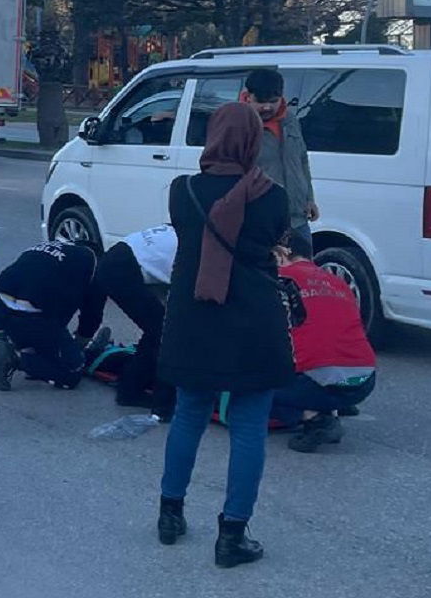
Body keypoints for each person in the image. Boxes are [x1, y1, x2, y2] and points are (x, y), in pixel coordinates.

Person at [155, 102, 293, 568]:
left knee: (190, 412)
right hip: (253, 319)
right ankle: (233, 534)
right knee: (250, 425)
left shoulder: (183, 190)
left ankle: (169, 514)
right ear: (254, 141)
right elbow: (278, 237)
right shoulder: (270, 195)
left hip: (195, 315)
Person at [271, 234, 376, 453]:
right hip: (364, 379)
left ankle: (317, 419)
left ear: (282, 253)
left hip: (323, 380)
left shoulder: (280, 280)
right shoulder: (336, 280)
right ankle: (336, 405)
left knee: (257, 385)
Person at [0, 240, 105, 391]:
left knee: (44, 326)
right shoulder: (93, 266)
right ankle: (16, 359)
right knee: (72, 373)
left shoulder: (44, 248)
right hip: (29, 315)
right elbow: (91, 315)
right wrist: (78, 346)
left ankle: (26, 350)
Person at [94, 224, 177, 418]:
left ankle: (133, 385)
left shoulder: (184, 229)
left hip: (119, 258)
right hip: (121, 270)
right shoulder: (196, 246)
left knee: (157, 329)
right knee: (164, 334)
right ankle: (154, 401)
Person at [241, 68, 317, 250]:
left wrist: (309, 198)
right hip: (261, 221)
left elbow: (302, 160)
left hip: (297, 219)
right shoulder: (239, 125)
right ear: (248, 96)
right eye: (261, 102)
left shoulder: (291, 121)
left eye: (273, 101)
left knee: (303, 274)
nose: (267, 107)